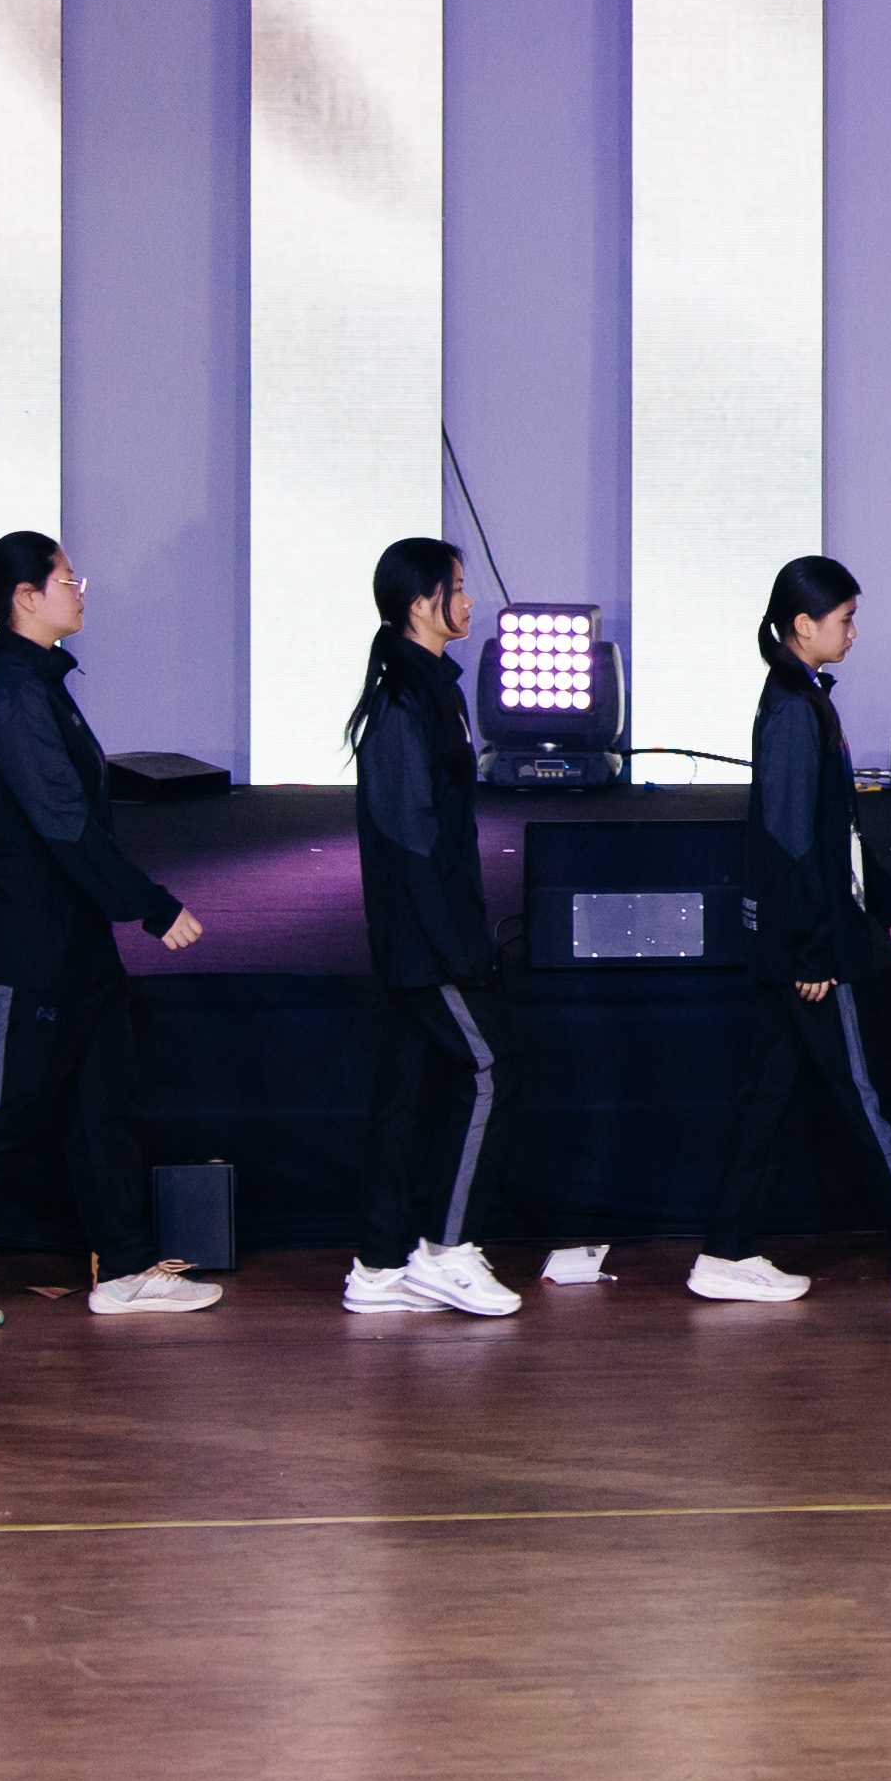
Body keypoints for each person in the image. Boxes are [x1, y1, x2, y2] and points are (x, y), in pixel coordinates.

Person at [0, 532, 215, 1330]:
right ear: (25, 597)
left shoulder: (37, 683)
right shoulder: (11, 692)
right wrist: (150, 905)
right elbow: (60, 821)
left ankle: (126, 1269)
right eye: (68, 579)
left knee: (102, 1105)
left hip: (73, 936)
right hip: (27, 941)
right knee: (6, 1106)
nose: (80, 591)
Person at [692, 554, 891, 1311]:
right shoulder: (793, 709)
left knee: (770, 1098)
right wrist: (811, 950)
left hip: (800, 942)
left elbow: (840, 835)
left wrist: (890, 905)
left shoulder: (803, 699)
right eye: (845, 619)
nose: (854, 632)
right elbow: (789, 842)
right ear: (803, 625)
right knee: (870, 1097)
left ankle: (724, 1254)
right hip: (810, 949)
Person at [341, 535, 522, 1322]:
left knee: (406, 1095)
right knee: (492, 1068)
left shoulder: (435, 689)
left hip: (435, 936)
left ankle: (379, 1267)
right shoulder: (402, 703)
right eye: (456, 586)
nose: (469, 600)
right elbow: (409, 844)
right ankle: (448, 1252)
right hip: (428, 943)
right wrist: (458, 949)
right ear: (421, 604)